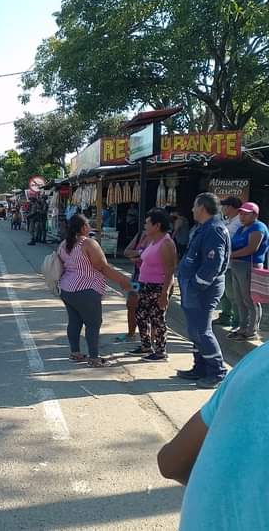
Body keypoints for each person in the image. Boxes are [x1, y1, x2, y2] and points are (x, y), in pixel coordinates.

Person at [157, 342, 269, 530]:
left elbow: (170, 463)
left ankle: (213, 369)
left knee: (201, 332)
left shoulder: (259, 359)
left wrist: (225, 492)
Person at [58, 214, 131, 367]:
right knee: (93, 323)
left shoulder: (64, 244)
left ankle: (75, 353)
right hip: (87, 289)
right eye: (88, 224)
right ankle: (94, 358)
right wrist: (122, 280)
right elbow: (102, 267)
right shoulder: (89, 244)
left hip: (66, 289)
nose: (90, 227)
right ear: (84, 227)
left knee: (74, 321)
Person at [176, 193, 230, 389]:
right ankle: (200, 367)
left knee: (201, 330)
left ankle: (217, 371)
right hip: (195, 288)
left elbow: (213, 263)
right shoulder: (203, 228)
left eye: (194, 206)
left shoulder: (214, 230)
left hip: (203, 290)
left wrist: (196, 285)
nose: (192, 210)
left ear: (202, 208)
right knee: (194, 330)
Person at [133, 209, 177, 362]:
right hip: (144, 284)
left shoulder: (166, 243)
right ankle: (146, 345)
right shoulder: (152, 240)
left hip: (157, 286)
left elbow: (170, 270)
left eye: (147, 223)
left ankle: (160, 350)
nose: (145, 225)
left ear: (157, 225)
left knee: (157, 318)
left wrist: (165, 293)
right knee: (141, 315)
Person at [228, 202, 269, 341]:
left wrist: (230, 255)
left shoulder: (258, 227)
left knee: (250, 299)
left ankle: (252, 331)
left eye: (246, 214)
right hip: (237, 266)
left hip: (249, 266)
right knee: (239, 298)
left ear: (255, 215)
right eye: (241, 213)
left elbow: (252, 249)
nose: (242, 216)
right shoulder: (242, 228)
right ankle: (242, 327)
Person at [213, 196, 243, 328]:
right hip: (224, 264)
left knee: (233, 294)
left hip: (234, 264)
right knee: (224, 293)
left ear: (231, 207)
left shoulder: (239, 223)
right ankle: (226, 316)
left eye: (225, 206)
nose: (223, 209)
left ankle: (237, 321)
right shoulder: (228, 221)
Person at [118, 231, 151, 346]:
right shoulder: (141, 235)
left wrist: (138, 256)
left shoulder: (161, 239)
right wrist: (139, 253)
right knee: (131, 304)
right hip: (137, 275)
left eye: (148, 223)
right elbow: (127, 252)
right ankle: (131, 333)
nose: (146, 226)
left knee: (150, 308)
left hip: (152, 277)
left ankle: (150, 340)